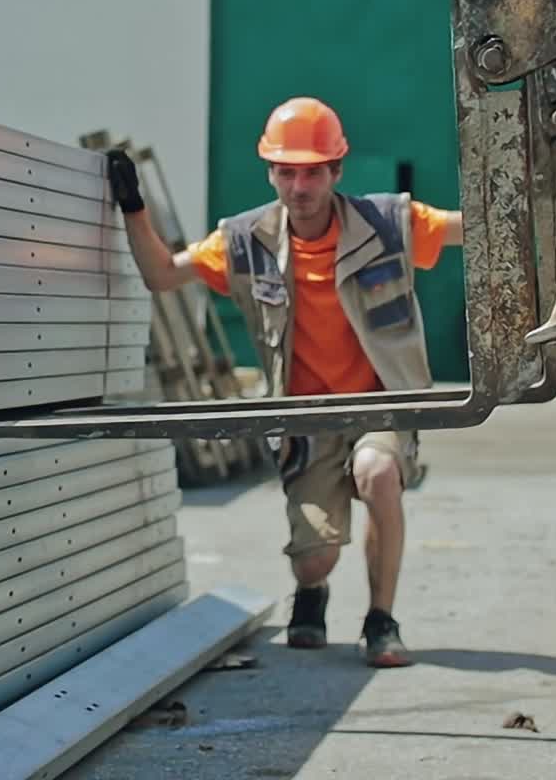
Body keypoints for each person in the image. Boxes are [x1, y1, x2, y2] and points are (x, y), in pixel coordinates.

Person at [106, 96, 462, 667]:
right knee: (313, 557)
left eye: (314, 171)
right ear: (271, 172)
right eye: (288, 171)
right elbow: (161, 274)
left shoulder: (389, 225)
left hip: (381, 404)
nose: (301, 186)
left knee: (377, 473)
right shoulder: (245, 242)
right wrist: (132, 207)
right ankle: (312, 591)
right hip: (306, 419)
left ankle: (381, 620)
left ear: (337, 171)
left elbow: (479, 230)